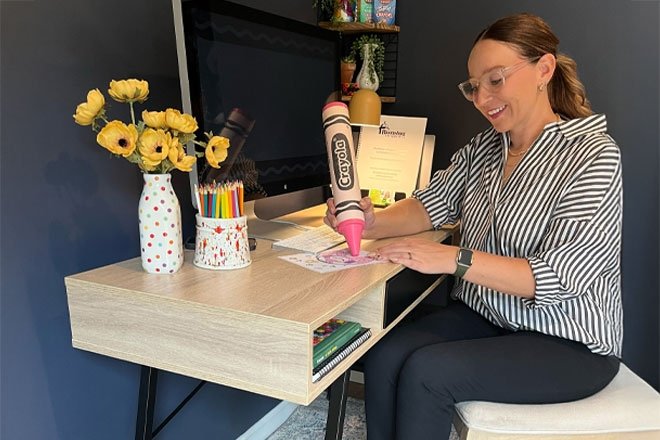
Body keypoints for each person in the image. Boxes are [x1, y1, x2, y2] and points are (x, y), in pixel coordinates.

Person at [324, 12, 623, 440]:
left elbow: (559, 277)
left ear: (544, 69)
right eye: (474, 86)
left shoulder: (592, 154)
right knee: (385, 353)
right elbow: (430, 205)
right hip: (489, 315)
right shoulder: (486, 147)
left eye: (495, 80)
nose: (482, 98)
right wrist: (371, 222)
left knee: (429, 373)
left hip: (567, 341)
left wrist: (453, 258)